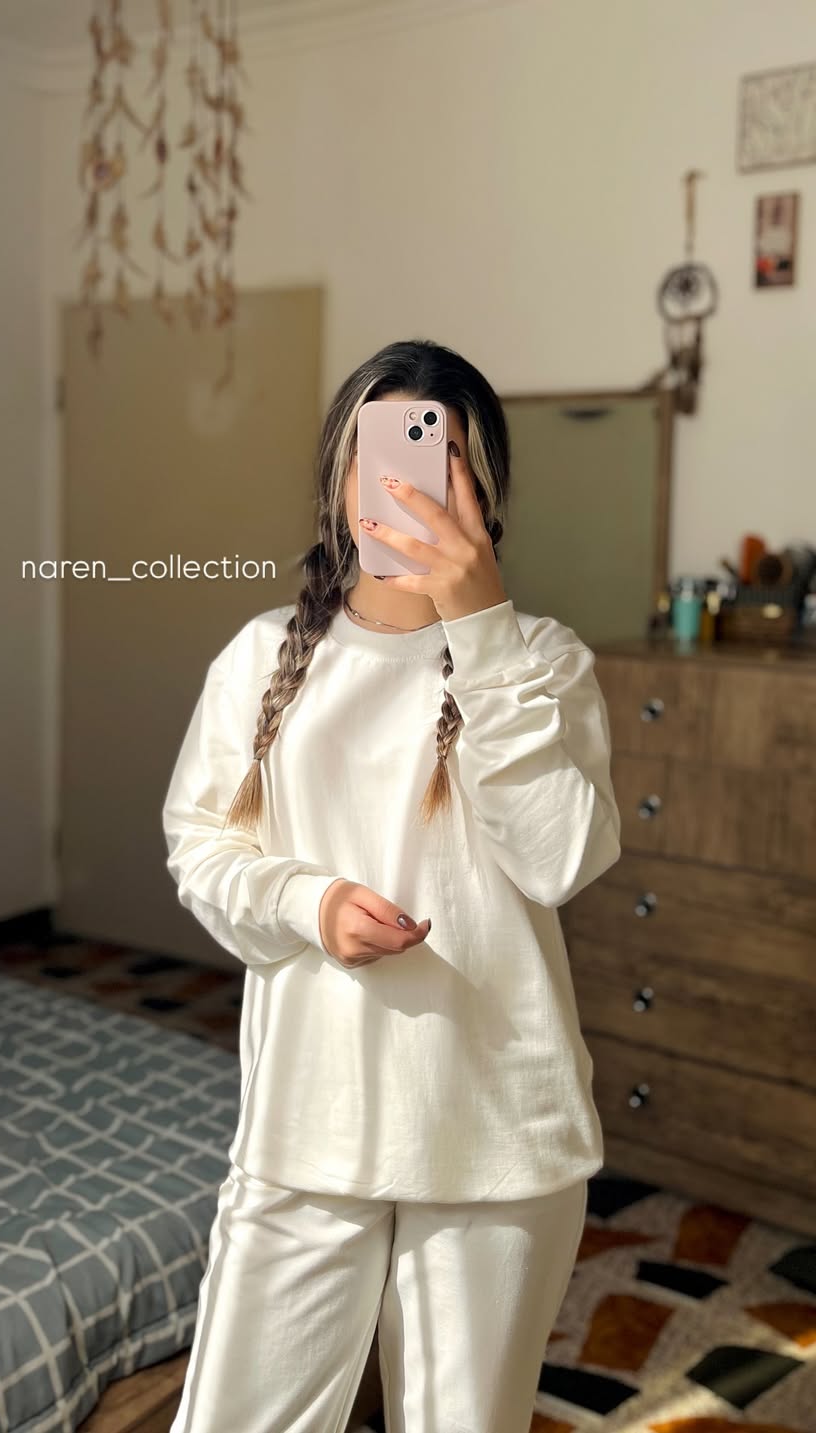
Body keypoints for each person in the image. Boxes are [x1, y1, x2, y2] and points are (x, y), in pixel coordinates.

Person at [161, 337, 622, 1433]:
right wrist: (310, 904)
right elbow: (201, 845)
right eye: (385, 457)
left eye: (441, 462)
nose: (409, 486)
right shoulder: (261, 656)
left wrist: (484, 632)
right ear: (340, 477)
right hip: (307, 1124)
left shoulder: (545, 660)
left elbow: (560, 859)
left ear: (485, 491)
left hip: (499, 1131)